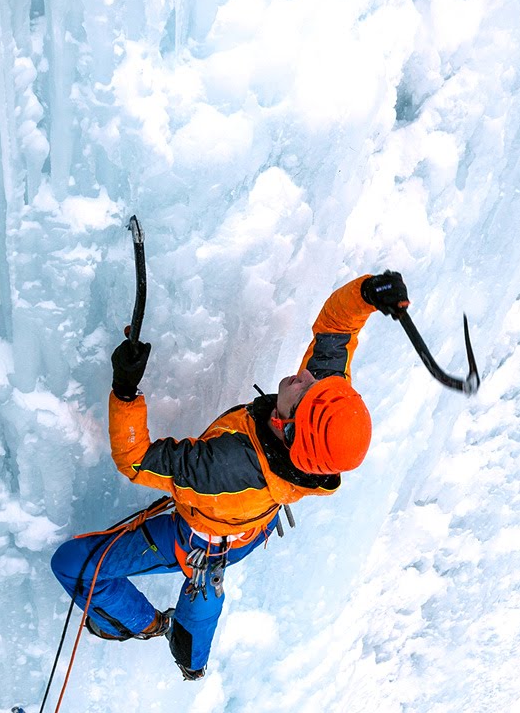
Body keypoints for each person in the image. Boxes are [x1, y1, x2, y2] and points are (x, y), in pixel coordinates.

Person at [49, 271, 411, 680]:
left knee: (72, 565)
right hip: (250, 528)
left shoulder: (223, 467)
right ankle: (192, 659)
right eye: (318, 383)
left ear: (284, 426)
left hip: (197, 534)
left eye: (306, 392)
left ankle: (146, 624)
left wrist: (125, 391)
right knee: (206, 588)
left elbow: (135, 460)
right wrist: (366, 293)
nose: (306, 377)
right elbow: (336, 328)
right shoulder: (322, 421)